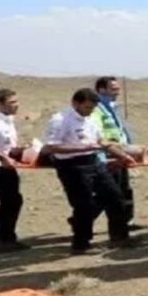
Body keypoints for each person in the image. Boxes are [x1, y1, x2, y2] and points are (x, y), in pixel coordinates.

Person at [43, 88, 138, 254]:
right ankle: (81, 244)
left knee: (115, 196)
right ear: (75, 103)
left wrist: (123, 156)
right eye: (87, 107)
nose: (90, 111)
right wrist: (83, 147)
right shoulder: (60, 120)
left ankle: (120, 237)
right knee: (83, 205)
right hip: (72, 166)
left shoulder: (90, 119)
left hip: (93, 161)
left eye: (93, 108)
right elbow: (51, 147)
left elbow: (101, 141)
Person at [91, 76, 136, 225]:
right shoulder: (96, 108)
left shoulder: (111, 107)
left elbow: (119, 129)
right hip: (109, 154)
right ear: (102, 89)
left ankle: (126, 221)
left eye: (118, 88)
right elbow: (97, 133)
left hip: (120, 152)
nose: (117, 92)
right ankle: (82, 219)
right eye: (114, 89)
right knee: (111, 191)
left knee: (124, 189)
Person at [0, 89, 28, 253]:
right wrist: (2, 158)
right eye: (12, 102)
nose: (16, 105)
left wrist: (22, 151)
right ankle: (3, 240)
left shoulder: (7, 121)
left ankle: (3, 238)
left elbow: (6, 147)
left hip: (6, 168)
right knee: (11, 201)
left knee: (12, 201)